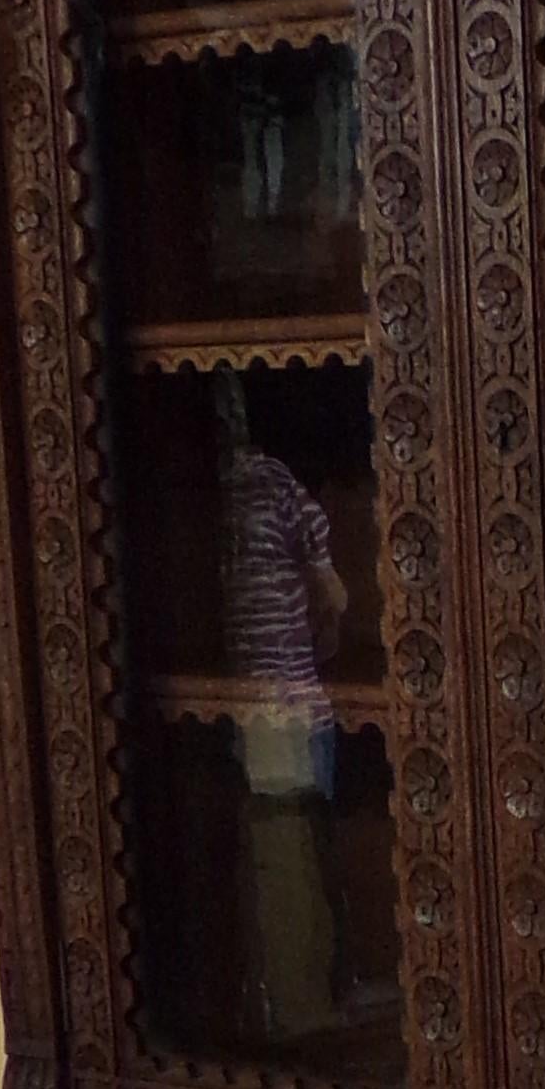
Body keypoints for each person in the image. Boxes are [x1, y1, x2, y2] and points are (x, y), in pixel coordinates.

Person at [214, 370, 345, 1045]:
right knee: (292, 853)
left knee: (272, 853)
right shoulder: (279, 487)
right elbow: (334, 602)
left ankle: (288, 1010)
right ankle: (306, 1015)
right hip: (287, 705)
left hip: (242, 708)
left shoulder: (213, 490)